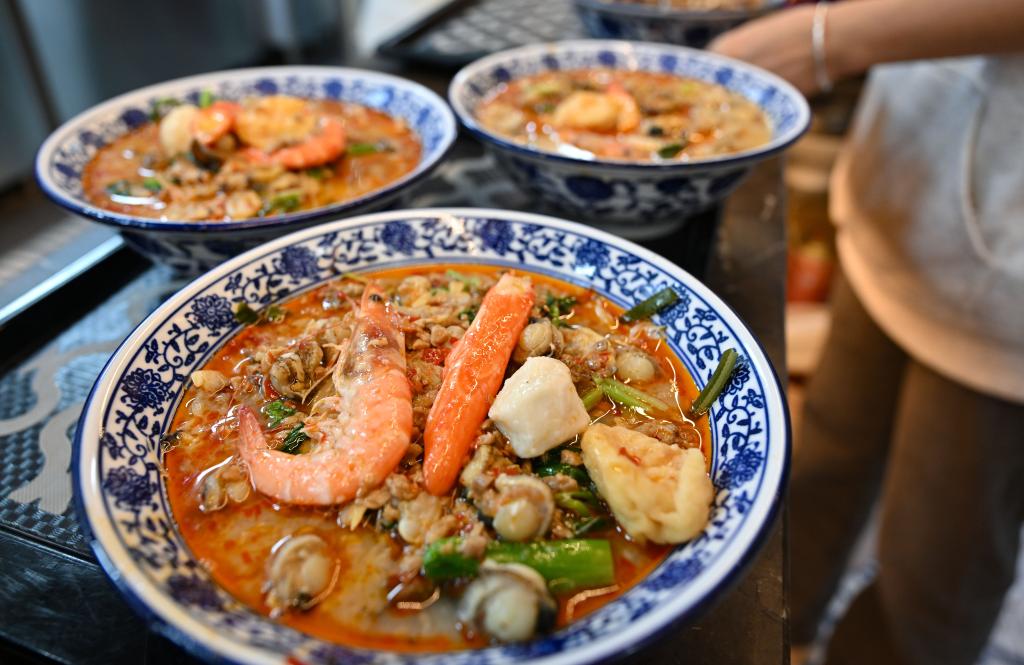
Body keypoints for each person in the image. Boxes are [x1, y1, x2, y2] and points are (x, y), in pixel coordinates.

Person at [710, 2, 1024, 664]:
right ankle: (781, 632)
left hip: (1009, 251)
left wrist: (827, 40)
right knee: (828, 453)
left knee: (938, 549)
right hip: (910, 164)